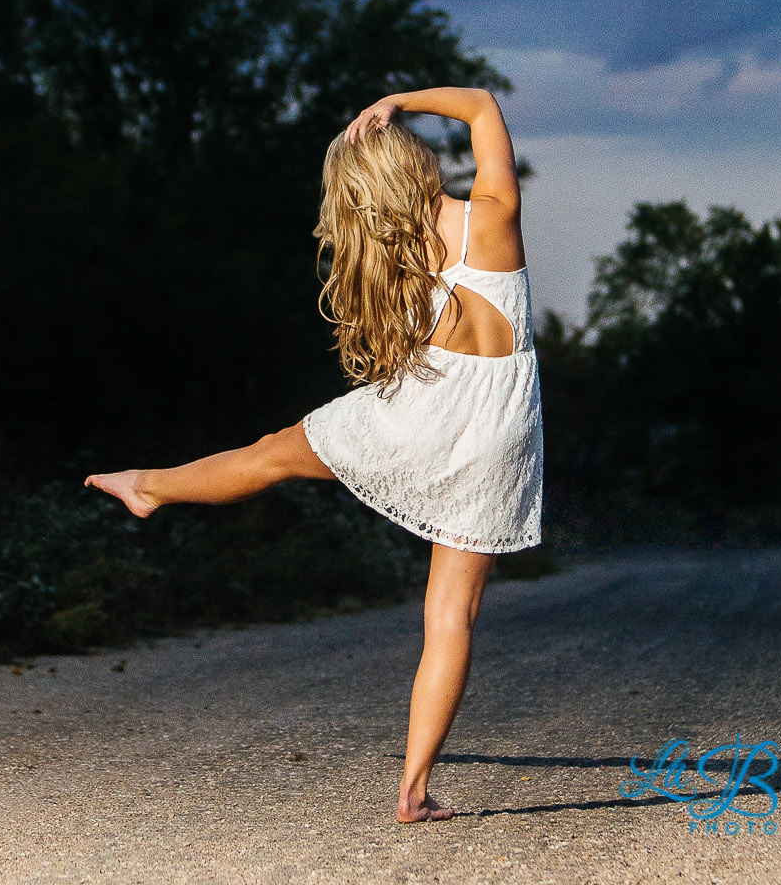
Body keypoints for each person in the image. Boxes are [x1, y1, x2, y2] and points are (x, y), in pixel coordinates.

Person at [86, 85, 543, 824]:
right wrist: (398, 98)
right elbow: (483, 106)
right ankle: (412, 790)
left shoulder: (394, 258)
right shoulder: (489, 219)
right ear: (414, 162)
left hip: (422, 417)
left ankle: (150, 486)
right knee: (451, 614)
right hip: (502, 432)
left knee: (270, 454)